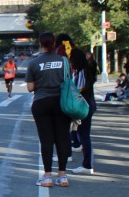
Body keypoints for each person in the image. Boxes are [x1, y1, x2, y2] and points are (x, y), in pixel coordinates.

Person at [25, 32, 71, 187]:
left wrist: (41, 82)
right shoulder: (64, 61)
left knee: (46, 140)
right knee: (62, 138)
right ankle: (63, 176)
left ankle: (47, 177)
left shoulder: (34, 63)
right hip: (62, 103)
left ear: (40, 43)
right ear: (54, 43)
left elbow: (30, 87)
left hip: (41, 103)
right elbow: (68, 81)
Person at [58, 33, 97, 176]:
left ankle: (87, 165)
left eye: (71, 60)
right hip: (86, 105)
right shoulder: (85, 71)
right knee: (82, 134)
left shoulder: (81, 72)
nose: (70, 62)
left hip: (83, 107)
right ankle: (86, 163)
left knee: (84, 135)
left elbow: (77, 90)